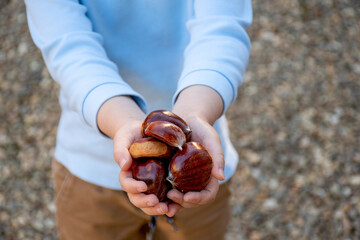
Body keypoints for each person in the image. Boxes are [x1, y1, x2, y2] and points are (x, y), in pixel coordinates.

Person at [24, 0, 252, 239]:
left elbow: (222, 28)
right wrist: (123, 122)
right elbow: (68, 48)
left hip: (200, 149)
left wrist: (196, 112)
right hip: (91, 169)